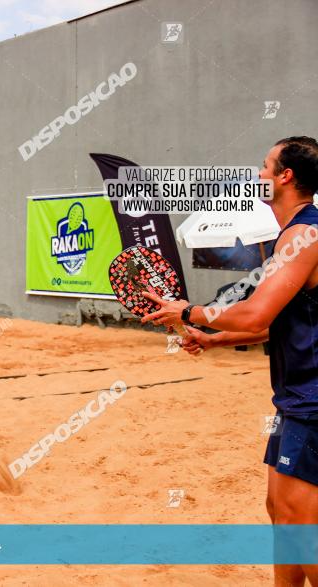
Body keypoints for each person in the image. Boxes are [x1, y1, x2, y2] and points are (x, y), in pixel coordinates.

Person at [142, 136, 318, 586]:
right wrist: (213, 339)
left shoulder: (304, 235)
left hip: (312, 404)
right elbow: (271, 324)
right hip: (294, 401)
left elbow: (257, 310)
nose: (258, 174)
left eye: (265, 166)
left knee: (302, 529)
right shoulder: (292, 234)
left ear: (286, 176)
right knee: (280, 516)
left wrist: (186, 311)